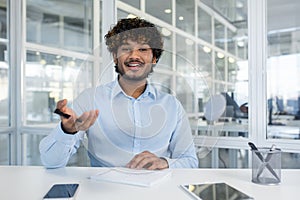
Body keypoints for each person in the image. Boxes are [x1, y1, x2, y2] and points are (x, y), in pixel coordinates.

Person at [39, 17, 198, 170]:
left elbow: (190, 161)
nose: (134, 56)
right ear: (115, 57)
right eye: (126, 49)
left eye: (142, 49)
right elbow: (51, 162)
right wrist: (67, 131)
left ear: (154, 58)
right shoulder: (90, 99)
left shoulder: (171, 105)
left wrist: (165, 163)